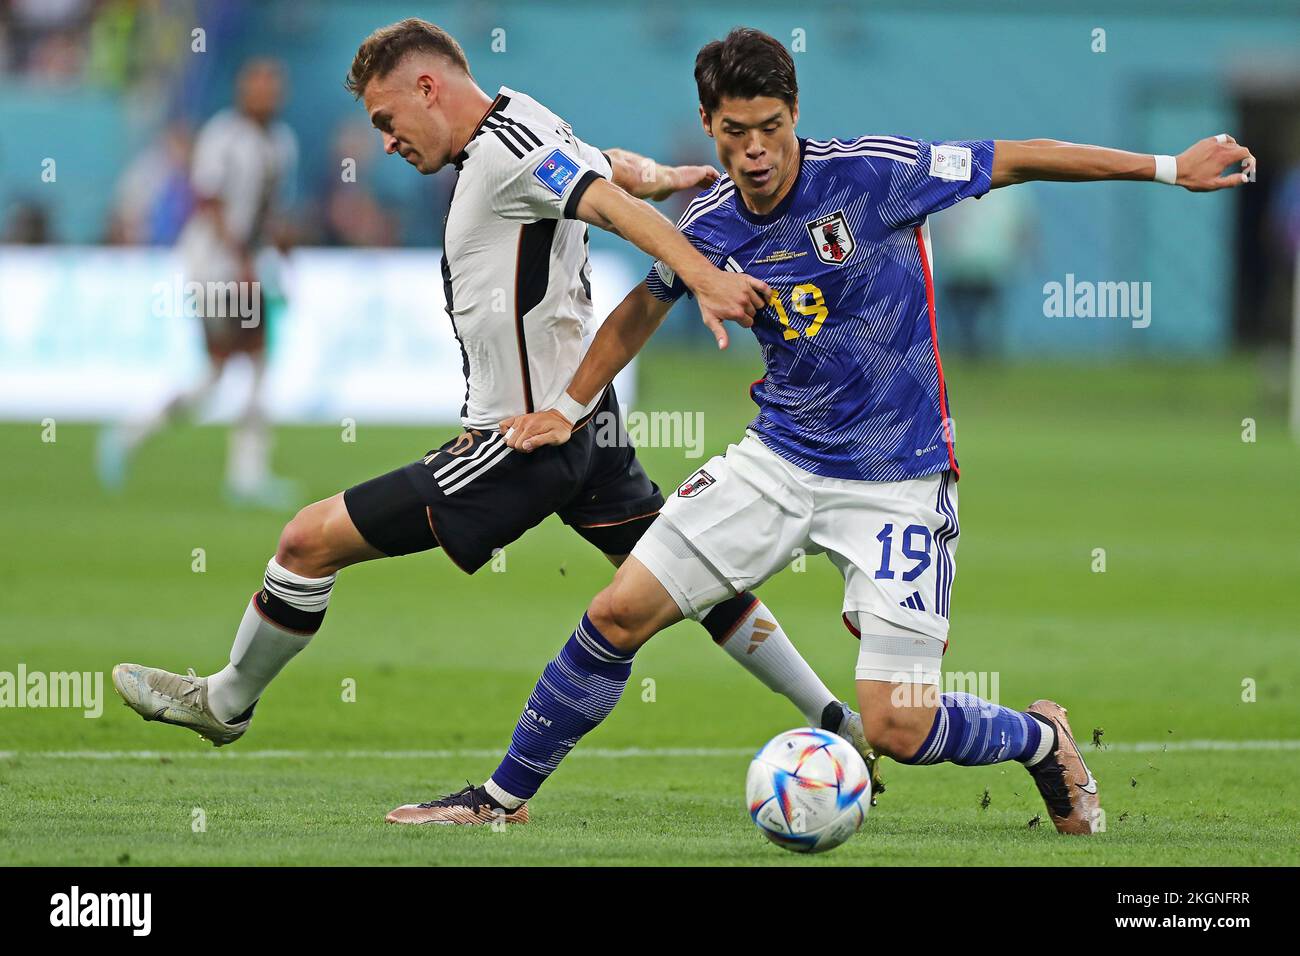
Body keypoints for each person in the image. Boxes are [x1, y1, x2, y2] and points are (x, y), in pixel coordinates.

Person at [446, 26, 1257, 835]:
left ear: (795, 112)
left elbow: (1018, 155)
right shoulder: (713, 224)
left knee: (900, 727)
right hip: (779, 461)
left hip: (899, 477)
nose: (756, 151)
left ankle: (1042, 740)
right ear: (709, 126)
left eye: (771, 128)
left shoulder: (873, 176)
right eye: (736, 133)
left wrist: (1167, 169)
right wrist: (568, 406)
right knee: (620, 612)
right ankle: (498, 801)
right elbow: (638, 312)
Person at [111, 19, 878, 824]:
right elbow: (605, 173)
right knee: (691, 578)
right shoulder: (527, 119)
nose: (387, 142)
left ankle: (226, 702)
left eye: (387, 120)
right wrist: (662, 175)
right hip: (586, 419)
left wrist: (703, 275)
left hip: (520, 440)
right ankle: (836, 721)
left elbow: (606, 205)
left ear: (428, 89)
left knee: (306, 541)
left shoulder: (507, 149)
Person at [97, 59, 299, 508]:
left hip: (242, 264)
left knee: (219, 375)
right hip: (213, 267)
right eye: (259, 86)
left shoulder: (281, 143)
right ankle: (246, 474)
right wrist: (245, 260)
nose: (267, 95)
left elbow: (268, 212)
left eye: (273, 87)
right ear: (243, 91)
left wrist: (277, 257)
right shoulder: (223, 136)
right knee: (253, 364)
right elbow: (208, 201)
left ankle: (132, 433)